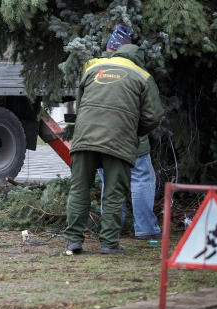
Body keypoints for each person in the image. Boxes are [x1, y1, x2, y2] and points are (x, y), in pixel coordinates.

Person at [63, 25, 163, 255]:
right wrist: (134, 131)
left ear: (110, 49)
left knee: (79, 189)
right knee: (114, 192)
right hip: (118, 141)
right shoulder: (142, 75)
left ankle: (73, 241)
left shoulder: (92, 68)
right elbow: (154, 116)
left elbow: (76, 105)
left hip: (84, 138)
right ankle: (109, 244)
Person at [97, 32, 162, 240]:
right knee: (141, 178)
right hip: (130, 135)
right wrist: (139, 132)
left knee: (109, 181)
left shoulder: (94, 69)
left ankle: (111, 229)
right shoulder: (135, 71)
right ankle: (146, 229)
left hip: (98, 136)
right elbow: (152, 113)